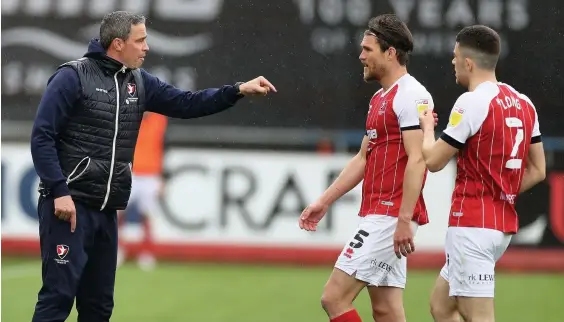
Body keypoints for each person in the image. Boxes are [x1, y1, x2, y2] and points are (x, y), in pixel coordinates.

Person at [29, 10, 276, 322]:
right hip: (70, 209)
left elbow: (188, 103)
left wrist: (237, 90)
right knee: (57, 299)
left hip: (106, 212)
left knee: (98, 307)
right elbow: (42, 136)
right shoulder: (71, 77)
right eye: (141, 40)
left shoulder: (139, 83)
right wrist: (59, 191)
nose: (147, 47)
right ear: (118, 44)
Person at [299, 14, 435, 322]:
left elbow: (418, 159)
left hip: (390, 216)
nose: (361, 56)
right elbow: (363, 158)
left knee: (334, 297)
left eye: (368, 49)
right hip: (380, 212)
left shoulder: (412, 95)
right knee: (386, 310)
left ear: (390, 52)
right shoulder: (379, 99)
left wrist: (403, 219)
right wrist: (324, 201)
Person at [419, 25, 546, 322]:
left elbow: (434, 161)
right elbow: (538, 169)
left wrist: (426, 128)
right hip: (500, 227)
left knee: (478, 317)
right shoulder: (524, 103)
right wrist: (503, 191)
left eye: (454, 56)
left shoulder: (472, 102)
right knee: (442, 306)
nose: (452, 62)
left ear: (468, 62)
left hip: (472, 226)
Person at [116, 111, 168, 270]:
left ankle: (147, 253)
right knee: (117, 212)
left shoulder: (161, 119)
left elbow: (165, 147)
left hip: (151, 174)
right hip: (129, 171)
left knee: (148, 215)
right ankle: (116, 250)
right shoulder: (127, 114)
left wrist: (163, 177)